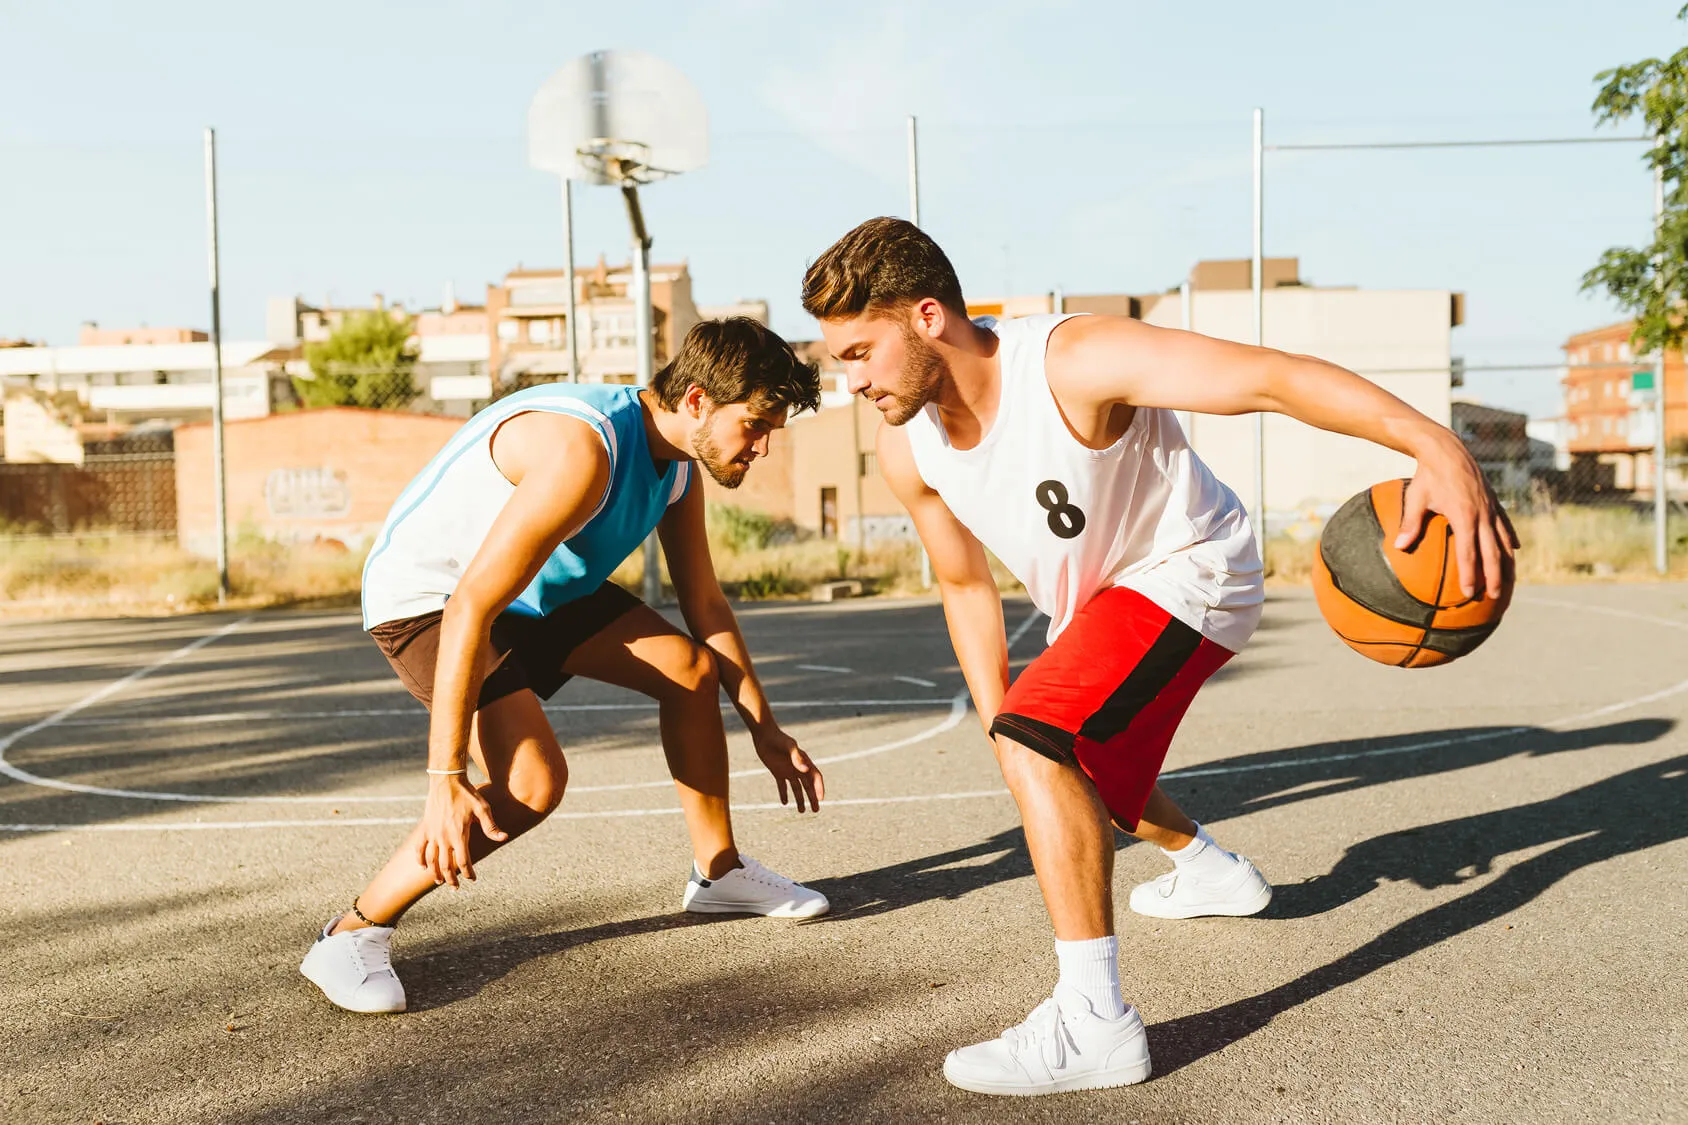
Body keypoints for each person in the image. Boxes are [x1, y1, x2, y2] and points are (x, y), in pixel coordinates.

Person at [802, 218, 1516, 1096]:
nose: (853, 378)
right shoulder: (907, 446)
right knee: (1059, 757)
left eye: (860, 351)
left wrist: (1433, 444)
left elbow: (1271, 379)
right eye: (842, 359)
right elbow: (964, 585)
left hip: (1193, 569)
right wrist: (996, 719)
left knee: (1043, 740)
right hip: (1102, 603)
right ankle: (1209, 869)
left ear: (926, 317)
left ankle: (1093, 1022)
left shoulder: (1073, 361)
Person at [301, 317, 831, 1015]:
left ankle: (719, 873)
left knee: (690, 669)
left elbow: (705, 602)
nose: (761, 446)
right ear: (698, 400)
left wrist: (765, 727)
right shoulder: (587, 450)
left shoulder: (676, 467)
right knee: (532, 782)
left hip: (534, 592)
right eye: (756, 425)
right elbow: (469, 606)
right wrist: (445, 779)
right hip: (432, 598)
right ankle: (351, 931)